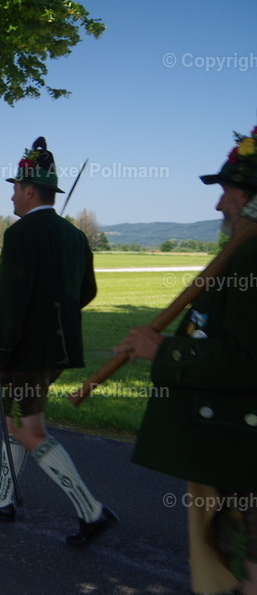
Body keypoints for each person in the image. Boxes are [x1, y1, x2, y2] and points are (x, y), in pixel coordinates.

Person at [117, 127, 257, 594]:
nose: (220, 206)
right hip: (230, 447)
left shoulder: (254, 254)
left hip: (238, 451)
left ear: (252, 198)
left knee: (239, 571)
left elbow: (246, 359)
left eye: (227, 192)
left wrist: (163, 349)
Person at [0, 137, 116, 547]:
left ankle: (92, 511)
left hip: (26, 352)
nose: (11, 194)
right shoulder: (74, 236)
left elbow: (9, 302)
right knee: (18, 420)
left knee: (26, 426)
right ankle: (2, 498)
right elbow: (85, 292)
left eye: (15, 187)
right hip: (57, 350)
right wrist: (57, 312)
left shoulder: (21, 235)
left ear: (31, 190)